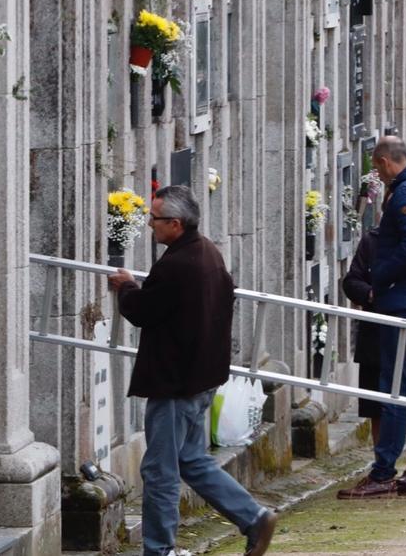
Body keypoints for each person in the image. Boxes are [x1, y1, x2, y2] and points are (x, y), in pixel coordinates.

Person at [107, 185, 278, 556]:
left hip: (175, 383)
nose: (150, 226)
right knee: (192, 460)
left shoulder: (178, 264)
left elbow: (143, 310)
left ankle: (160, 549)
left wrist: (126, 287)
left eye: (154, 220)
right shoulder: (208, 253)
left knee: (160, 470)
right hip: (200, 378)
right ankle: (254, 516)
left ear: (175, 223)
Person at [337, 137, 406, 499]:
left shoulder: (405, 192)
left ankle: (383, 471)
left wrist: (382, 275)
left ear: (386, 162)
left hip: (405, 304)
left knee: (395, 389)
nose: (378, 174)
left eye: (377, 166)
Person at [340, 225, 406, 487]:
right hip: (374, 333)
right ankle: (383, 466)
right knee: (376, 400)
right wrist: (371, 293)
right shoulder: (371, 241)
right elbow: (351, 280)